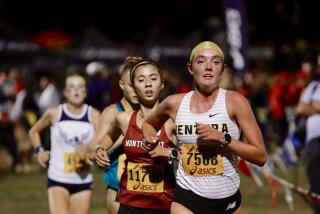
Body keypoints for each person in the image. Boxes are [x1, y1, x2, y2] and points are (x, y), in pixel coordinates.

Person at [142, 41, 267, 214]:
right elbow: (148, 123)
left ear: (223, 69)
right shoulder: (174, 103)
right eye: (201, 61)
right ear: (190, 68)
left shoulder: (235, 102)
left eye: (215, 62)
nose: (208, 67)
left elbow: (260, 156)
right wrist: (151, 138)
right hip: (186, 198)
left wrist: (223, 138)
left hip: (227, 201)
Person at [95, 59, 177, 214]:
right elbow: (108, 137)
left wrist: (169, 153)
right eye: (141, 80)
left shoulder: (172, 121)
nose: (148, 84)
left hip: (162, 204)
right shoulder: (123, 119)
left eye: (153, 79)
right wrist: (100, 149)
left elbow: (191, 155)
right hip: (129, 203)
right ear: (133, 86)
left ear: (162, 84)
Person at [29, 71, 100, 214]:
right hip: (58, 178)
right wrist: (39, 151)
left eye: (80, 87)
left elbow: (102, 145)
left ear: (86, 92)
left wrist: (90, 150)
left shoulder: (94, 115)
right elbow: (33, 131)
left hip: (83, 179)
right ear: (65, 92)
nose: (76, 90)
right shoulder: (54, 113)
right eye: (72, 87)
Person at [91, 56, 141, 214]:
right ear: (121, 85)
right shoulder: (112, 112)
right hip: (119, 187)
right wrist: (120, 137)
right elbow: (92, 151)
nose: (136, 89)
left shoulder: (153, 112)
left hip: (149, 188)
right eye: (130, 85)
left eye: (139, 83)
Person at [296, 65, 320, 214]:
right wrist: (314, 107)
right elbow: (300, 108)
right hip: (313, 141)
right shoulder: (314, 86)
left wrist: (312, 106)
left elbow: (308, 107)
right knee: (316, 183)